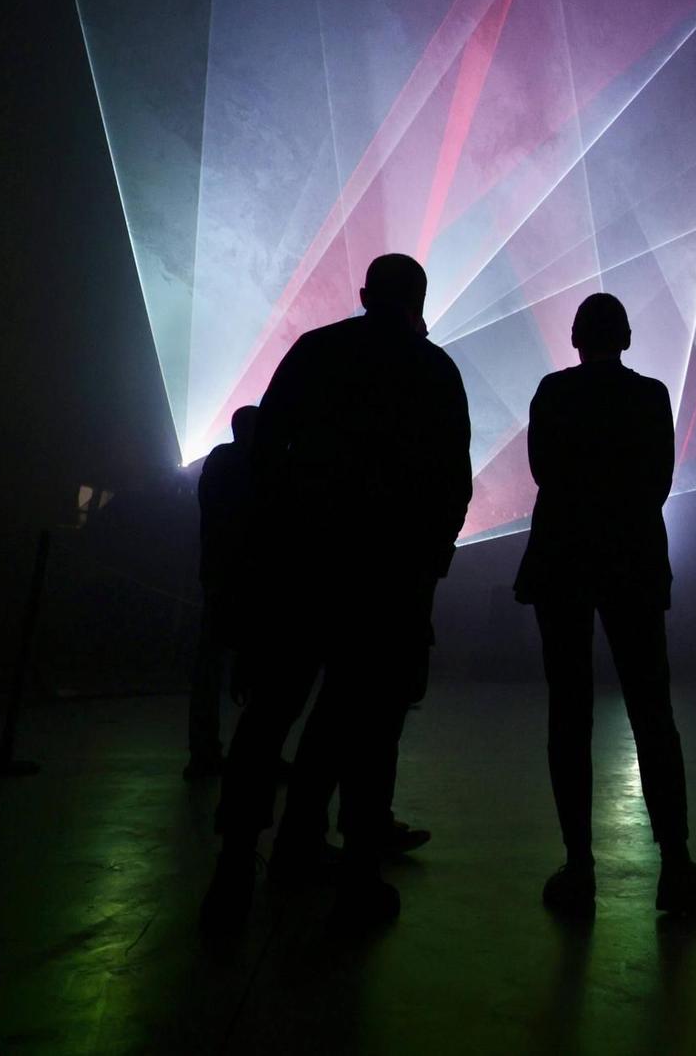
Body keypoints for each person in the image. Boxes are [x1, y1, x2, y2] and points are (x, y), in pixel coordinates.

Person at [201, 254, 471, 933]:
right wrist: (426, 569)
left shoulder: (316, 351)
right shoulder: (435, 371)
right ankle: (354, 876)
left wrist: (265, 557)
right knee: (367, 727)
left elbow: (266, 462)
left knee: (269, 716)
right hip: (386, 580)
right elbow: (452, 486)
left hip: (302, 569)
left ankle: (235, 863)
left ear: (363, 293)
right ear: (419, 302)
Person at [515, 292, 696, 918]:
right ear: (627, 338)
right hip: (631, 564)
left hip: (561, 561)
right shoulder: (650, 396)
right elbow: (657, 481)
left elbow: (543, 471)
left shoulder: (553, 392)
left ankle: (578, 868)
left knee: (568, 711)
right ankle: (676, 866)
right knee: (652, 710)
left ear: (576, 339)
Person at [189, 405, 260, 780]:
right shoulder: (249, 467)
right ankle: (257, 753)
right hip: (244, 577)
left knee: (210, 667)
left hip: (219, 574)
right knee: (259, 666)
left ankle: (204, 752)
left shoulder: (218, 465)